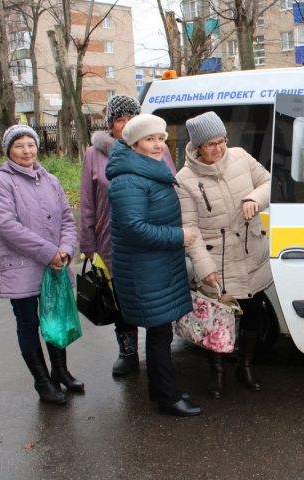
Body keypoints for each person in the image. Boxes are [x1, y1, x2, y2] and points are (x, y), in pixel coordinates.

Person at [106, 114, 201, 417]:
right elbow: (134, 227)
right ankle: (167, 398)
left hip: (158, 264)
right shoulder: (127, 179)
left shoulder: (149, 169)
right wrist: (179, 236)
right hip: (143, 269)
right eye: (150, 139)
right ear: (134, 144)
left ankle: (163, 389)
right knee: (159, 333)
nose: (158, 144)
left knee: (161, 332)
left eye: (161, 138)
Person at [175, 111, 272, 399]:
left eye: (222, 141)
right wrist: (204, 269)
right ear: (197, 147)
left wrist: (255, 198)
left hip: (250, 252)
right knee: (216, 319)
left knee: (254, 312)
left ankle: (245, 366)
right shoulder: (185, 179)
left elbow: (268, 181)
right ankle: (217, 374)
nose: (218, 149)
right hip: (216, 258)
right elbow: (189, 228)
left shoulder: (241, 157)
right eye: (211, 144)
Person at [80, 95, 177, 377]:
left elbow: (172, 188)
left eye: (130, 118)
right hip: (111, 240)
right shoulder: (94, 154)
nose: (124, 125)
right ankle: (128, 351)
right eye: (119, 120)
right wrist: (88, 243)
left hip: (152, 237)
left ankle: (159, 352)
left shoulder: (157, 148)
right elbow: (88, 202)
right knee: (120, 297)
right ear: (110, 124)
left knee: (154, 294)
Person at [0, 124, 83, 404]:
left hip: (54, 264)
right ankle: (42, 382)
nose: (26, 150)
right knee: (28, 325)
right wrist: (49, 253)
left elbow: (67, 217)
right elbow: (7, 226)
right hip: (21, 267)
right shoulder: (1, 181)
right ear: (8, 150)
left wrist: (64, 251)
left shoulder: (49, 179)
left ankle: (61, 372)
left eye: (30, 144)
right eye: (19, 145)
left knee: (55, 319)